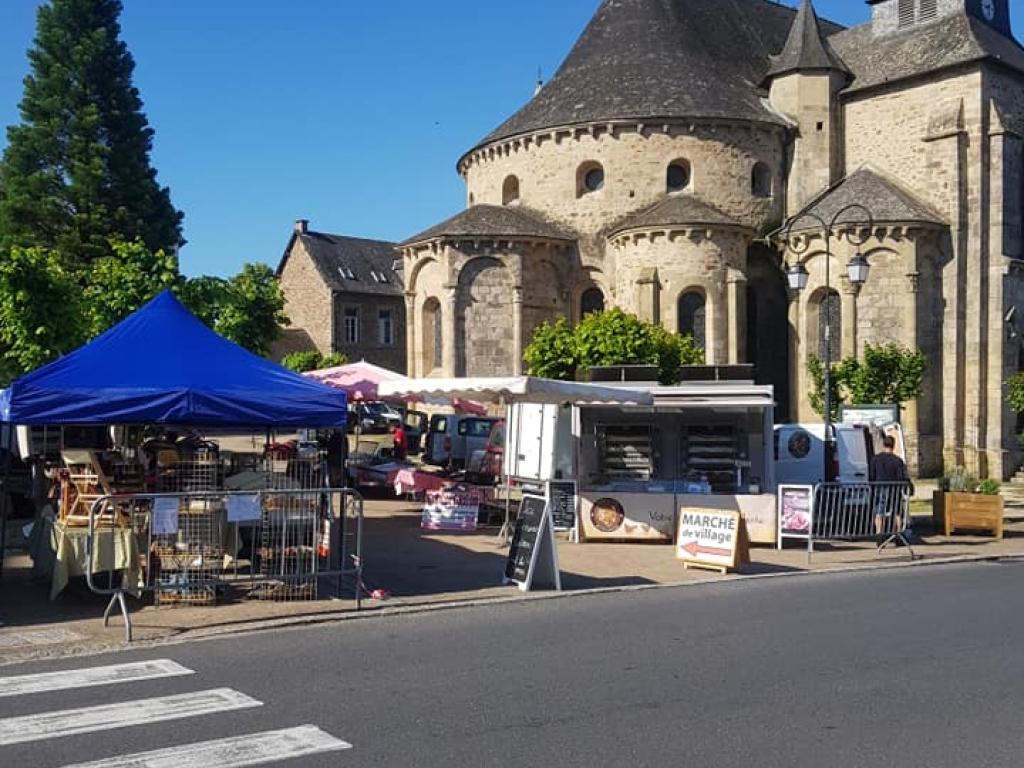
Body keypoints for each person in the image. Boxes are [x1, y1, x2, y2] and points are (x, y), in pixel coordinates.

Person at [868, 435, 912, 542]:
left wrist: (872, 486)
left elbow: (871, 475)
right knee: (897, 512)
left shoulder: (876, 459)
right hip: (894, 489)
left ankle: (879, 534)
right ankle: (898, 535)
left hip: (879, 487)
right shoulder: (898, 461)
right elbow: (901, 477)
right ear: (894, 445)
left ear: (883, 445)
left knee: (879, 512)